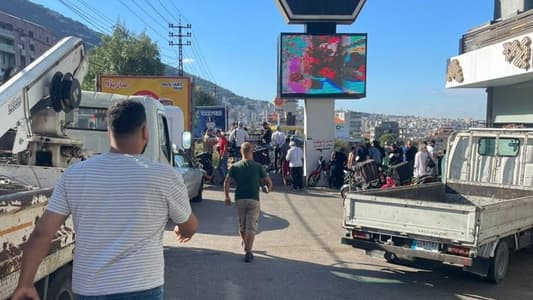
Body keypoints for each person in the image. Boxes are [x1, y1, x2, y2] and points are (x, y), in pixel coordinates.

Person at [11, 100, 198, 300]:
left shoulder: (75, 175)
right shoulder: (165, 176)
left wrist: (25, 283)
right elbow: (189, 227)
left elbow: (42, 233)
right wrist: (181, 228)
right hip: (142, 289)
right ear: (145, 132)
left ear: (110, 132)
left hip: (90, 291)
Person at [224, 142, 272, 263]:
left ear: (241, 152)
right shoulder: (258, 166)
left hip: (240, 199)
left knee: (242, 226)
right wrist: (268, 189)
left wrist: (227, 197)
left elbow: (226, 182)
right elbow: (268, 182)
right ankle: (248, 251)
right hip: (253, 199)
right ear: (252, 152)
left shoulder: (235, 166)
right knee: (251, 227)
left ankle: (245, 244)